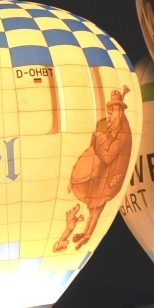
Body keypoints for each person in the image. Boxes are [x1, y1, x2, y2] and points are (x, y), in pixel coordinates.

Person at [54, 86, 133, 251]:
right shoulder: (115, 126)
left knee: (96, 209)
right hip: (101, 177)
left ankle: (88, 234)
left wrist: (98, 137)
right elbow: (95, 151)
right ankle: (87, 234)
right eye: (109, 110)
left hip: (109, 178)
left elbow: (108, 156)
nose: (109, 114)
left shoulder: (123, 132)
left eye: (112, 110)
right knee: (94, 209)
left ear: (119, 110)